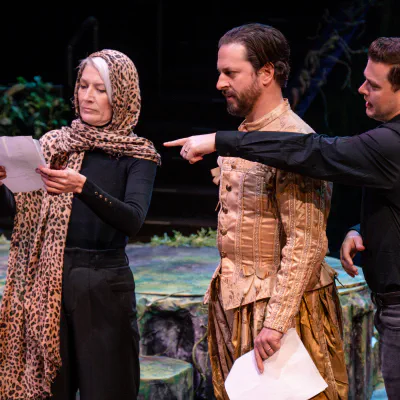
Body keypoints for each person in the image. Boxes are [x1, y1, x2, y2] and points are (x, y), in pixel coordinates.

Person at [165, 36, 400, 398]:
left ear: (266, 73)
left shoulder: (371, 141)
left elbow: (306, 233)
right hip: (239, 304)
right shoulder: (252, 131)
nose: (220, 83)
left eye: (231, 72)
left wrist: (275, 323)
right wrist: (359, 228)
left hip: (282, 313)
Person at [0, 49, 160, 400]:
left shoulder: (138, 154)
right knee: (48, 390)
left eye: (100, 89)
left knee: (107, 390)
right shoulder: (55, 144)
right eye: (83, 85)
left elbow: (132, 220)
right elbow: (20, 216)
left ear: (122, 95)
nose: (87, 96)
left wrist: (83, 187)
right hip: (48, 284)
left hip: (103, 284)